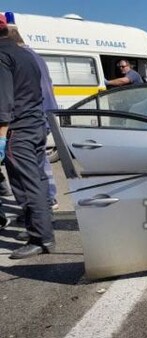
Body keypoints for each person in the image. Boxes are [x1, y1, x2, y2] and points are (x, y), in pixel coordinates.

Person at [0, 13, 55, 258]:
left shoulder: (2, 56)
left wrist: (1, 138)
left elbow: (4, 102)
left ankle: (40, 239)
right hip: (36, 124)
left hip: (18, 129)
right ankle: (43, 231)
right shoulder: (26, 54)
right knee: (39, 181)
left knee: (25, 184)